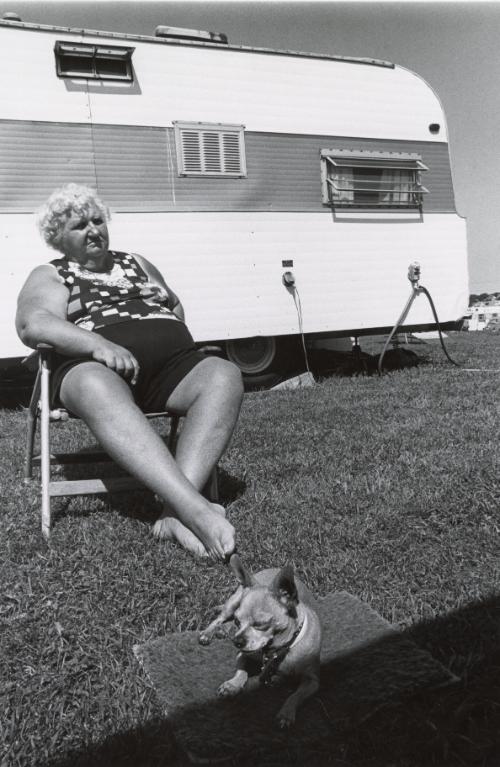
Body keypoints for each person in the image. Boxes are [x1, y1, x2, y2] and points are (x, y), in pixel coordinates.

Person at [16, 183, 244, 561]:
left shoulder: (135, 261)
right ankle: (197, 510)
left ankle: (176, 513)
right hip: (92, 368)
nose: (93, 230)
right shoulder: (54, 273)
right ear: (59, 237)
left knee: (224, 374)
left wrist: (167, 301)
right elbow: (33, 322)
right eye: (79, 225)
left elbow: (175, 309)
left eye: (97, 220)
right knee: (92, 381)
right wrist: (98, 345)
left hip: (170, 369)